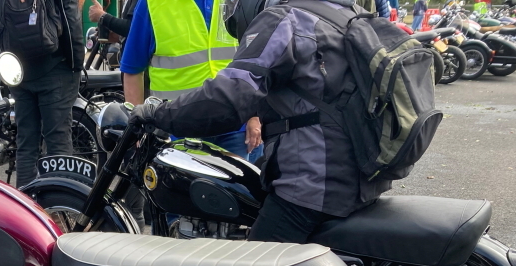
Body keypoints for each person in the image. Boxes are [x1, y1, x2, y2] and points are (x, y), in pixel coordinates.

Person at [130, 0, 394, 243]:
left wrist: (158, 114)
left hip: (312, 185)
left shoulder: (285, 19)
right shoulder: (348, 14)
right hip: (364, 178)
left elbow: (228, 99)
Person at [120, 0, 263, 162]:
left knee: (237, 179)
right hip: (175, 129)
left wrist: (255, 115)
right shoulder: (152, 4)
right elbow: (133, 70)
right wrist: (137, 130)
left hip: (234, 128)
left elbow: (256, 64)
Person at [0, 0, 84, 187]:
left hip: (18, 68)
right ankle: (59, 200)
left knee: (26, 142)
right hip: (55, 65)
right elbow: (69, 15)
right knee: (57, 141)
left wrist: (9, 47)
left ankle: (26, 199)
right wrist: (76, 62)